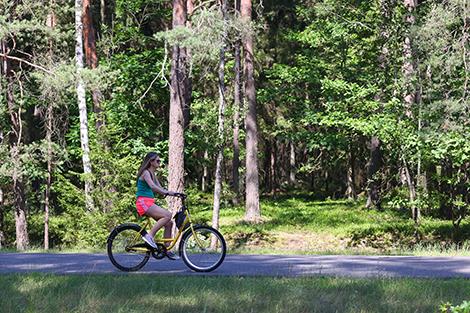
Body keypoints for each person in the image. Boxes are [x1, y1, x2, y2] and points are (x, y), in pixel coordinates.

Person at [135, 151, 180, 259]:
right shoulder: (146, 172)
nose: (159, 163)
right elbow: (152, 186)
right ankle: (149, 236)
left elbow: (160, 189)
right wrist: (165, 192)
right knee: (168, 215)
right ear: (151, 162)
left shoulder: (152, 174)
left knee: (169, 223)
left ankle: (167, 250)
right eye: (157, 161)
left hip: (149, 202)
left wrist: (174, 193)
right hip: (143, 202)